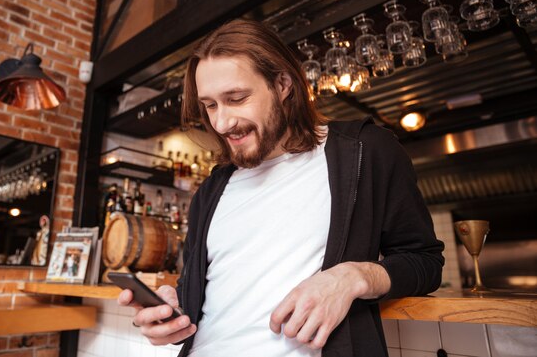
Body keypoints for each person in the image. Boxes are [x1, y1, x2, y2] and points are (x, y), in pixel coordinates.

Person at [118, 19, 444, 357]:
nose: (221, 122)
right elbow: (196, 299)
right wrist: (173, 314)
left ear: (283, 84)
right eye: (211, 105)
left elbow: (424, 262)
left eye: (237, 98)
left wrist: (353, 277)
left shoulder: (364, 150)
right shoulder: (212, 189)